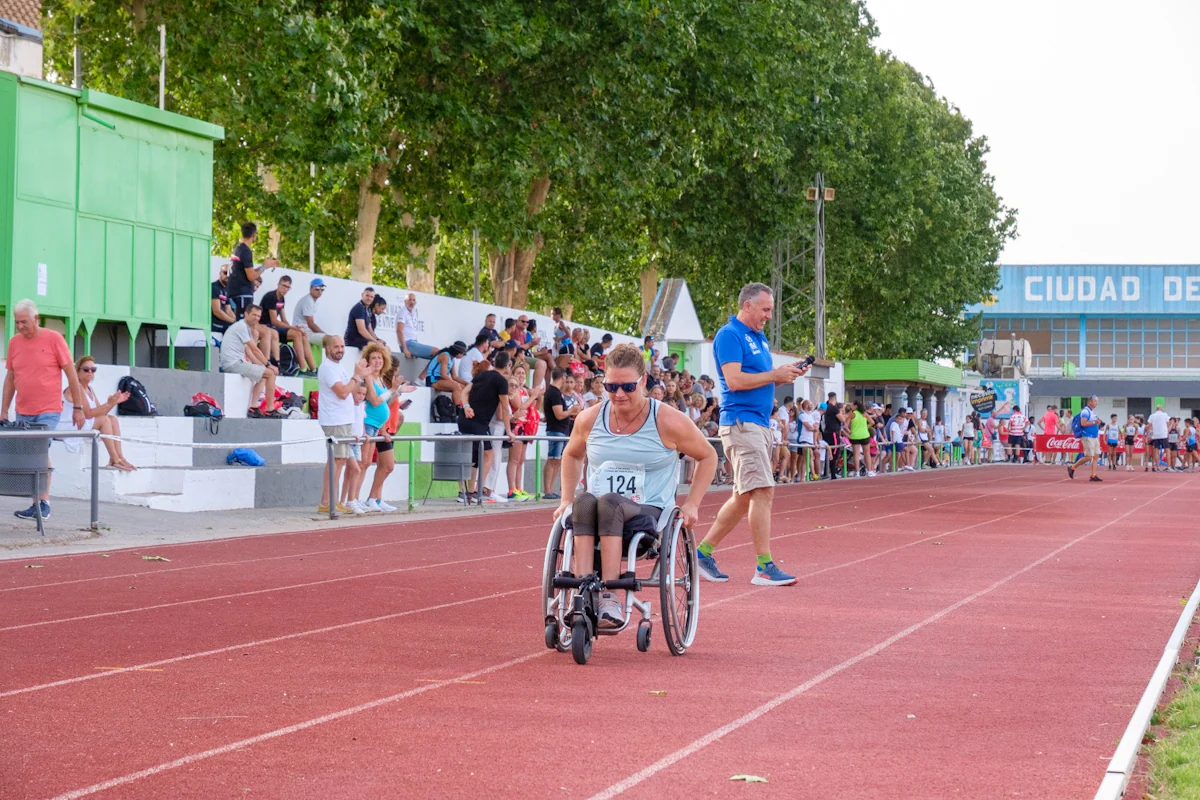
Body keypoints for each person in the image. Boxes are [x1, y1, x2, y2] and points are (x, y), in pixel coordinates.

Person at [552, 344, 717, 628]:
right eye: (611, 386)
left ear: (643, 382)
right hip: (597, 508)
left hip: (648, 510)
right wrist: (566, 499)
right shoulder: (590, 419)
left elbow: (708, 455)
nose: (618, 394)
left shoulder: (667, 420)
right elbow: (572, 454)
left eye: (627, 386)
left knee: (610, 503)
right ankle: (582, 594)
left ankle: (612, 597)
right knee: (584, 503)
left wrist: (692, 503)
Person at [695, 283, 809, 587]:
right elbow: (733, 380)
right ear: (747, 305)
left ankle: (702, 554)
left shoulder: (756, 337)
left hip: (757, 424)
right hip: (742, 423)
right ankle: (763, 566)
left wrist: (784, 372)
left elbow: (758, 378)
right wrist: (774, 375)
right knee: (763, 491)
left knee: (744, 496)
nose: (769, 316)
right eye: (766, 309)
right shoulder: (730, 335)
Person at [2, 300, 87, 520]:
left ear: (36, 319)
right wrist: (3, 410)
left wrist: (78, 408)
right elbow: (10, 378)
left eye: (24, 322)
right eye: (17, 322)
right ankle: (37, 503)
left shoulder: (54, 339)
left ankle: (43, 502)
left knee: (39, 450)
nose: (20, 326)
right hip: (23, 410)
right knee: (32, 454)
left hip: (48, 409)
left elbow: (71, 375)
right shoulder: (14, 343)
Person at [56, 355, 137, 471]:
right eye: (86, 369)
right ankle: (114, 459)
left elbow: (100, 411)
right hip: (70, 424)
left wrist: (113, 402)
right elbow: (89, 413)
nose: (90, 372)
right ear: (77, 371)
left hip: (81, 423)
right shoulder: (76, 387)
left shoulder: (90, 389)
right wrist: (109, 404)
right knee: (104, 420)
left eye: (93, 370)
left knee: (112, 419)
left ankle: (120, 457)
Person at [317, 336, 366, 514]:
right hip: (334, 420)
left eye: (342, 346)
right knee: (335, 461)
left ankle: (332, 500)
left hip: (343, 420)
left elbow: (351, 392)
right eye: (336, 346)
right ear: (327, 348)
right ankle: (326, 502)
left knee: (340, 460)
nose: (340, 349)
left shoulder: (338, 367)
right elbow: (342, 393)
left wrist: (360, 377)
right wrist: (356, 376)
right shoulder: (327, 368)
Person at [458, 351, 515, 503]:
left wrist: (466, 406)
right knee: (488, 455)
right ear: (507, 366)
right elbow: (504, 407)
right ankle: (478, 490)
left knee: (476, 457)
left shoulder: (481, 375)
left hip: (464, 419)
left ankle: (469, 492)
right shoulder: (501, 381)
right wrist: (509, 431)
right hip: (479, 423)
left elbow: (464, 392)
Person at [217, 305, 280, 418]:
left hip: (235, 362)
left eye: (258, 316)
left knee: (264, 375)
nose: (256, 318)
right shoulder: (241, 326)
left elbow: (248, 352)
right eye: (254, 315)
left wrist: (262, 366)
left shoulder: (244, 327)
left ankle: (253, 407)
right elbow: (255, 349)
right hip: (233, 364)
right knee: (270, 374)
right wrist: (268, 365)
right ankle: (270, 409)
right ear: (246, 314)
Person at [259, 275, 318, 376]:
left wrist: (295, 328)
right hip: (266, 326)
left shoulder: (282, 299)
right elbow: (274, 321)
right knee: (296, 334)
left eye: (287, 287)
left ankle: (313, 369)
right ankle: (302, 369)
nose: (285, 289)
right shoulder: (271, 297)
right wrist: (292, 328)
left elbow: (283, 319)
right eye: (283, 286)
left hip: (275, 327)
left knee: (302, 334)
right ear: (278, 285)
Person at [542, 367, 580, 500]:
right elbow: (559, 415)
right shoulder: (554, 393)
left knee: (557, 461)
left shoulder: (554, 392)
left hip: (561, 429)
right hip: (556, 429)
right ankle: (547, 490)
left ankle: (550, 490)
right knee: (553, 460)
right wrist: (572, 410)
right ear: (563, 378)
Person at [227, 222, 279, 317]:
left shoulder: (237, 249)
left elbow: (246, 272)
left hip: (234, 293)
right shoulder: (246, 251)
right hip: (242, 295)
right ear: (254, 235)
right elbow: (251, 277)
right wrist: (264, 267)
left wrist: (265, 265)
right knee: (245, 324)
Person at [1068, 395, 1103, 481]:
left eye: (1097, 401)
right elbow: (1083, 423)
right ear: (1089, 402)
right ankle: (1072, 467)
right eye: (1095, 401)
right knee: (1089, 456)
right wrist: (1095, 422)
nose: (1096, 403)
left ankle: (1093, 475)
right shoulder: (1085, 411)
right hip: (1087, 436)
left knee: (1096, 456)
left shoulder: (1092, 412)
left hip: (1094, 436)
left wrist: (1098, 422)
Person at [397, 292, 436, 361]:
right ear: (405, 301)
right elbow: (399, 331)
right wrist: (405, 349)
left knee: (436, 357)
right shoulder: (403, 312)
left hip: (414, 342)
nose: (412, 302)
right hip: (408, 344)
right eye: (409, 300)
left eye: (413, 300)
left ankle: (428, 372)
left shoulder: (413, 312)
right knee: (437, 352)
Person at [291, 277, 328, 346]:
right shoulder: (308, 301)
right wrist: (325, 335)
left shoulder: (313, 300)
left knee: (331, 341)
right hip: (301, 330)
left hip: (306, 329)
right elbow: (311, 324)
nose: (320, 292)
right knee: (329, 340)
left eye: (322, 289)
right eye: (317, 289)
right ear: (310, 289)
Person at [210, 262, 237, 336]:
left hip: (224, 326)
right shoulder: (214, 287)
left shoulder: (227, 290)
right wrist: (232, 320)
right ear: (220, 273)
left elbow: (228, 309)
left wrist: (235, 321)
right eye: (225, 273)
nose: (228, 276)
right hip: (213, 327)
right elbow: (217, 311)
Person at [1146, 404, 1170, 473]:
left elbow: (1149, 425)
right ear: (1161, 409)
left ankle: (1157, 467)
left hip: (1156, 435)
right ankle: (1168, 466)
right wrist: (1167, 431)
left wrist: (1148, 435)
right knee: (1167, 450)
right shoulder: (1165, 415)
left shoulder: (1152, 415)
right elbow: (1168, 423)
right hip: (1164, 434)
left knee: (1156, 451)